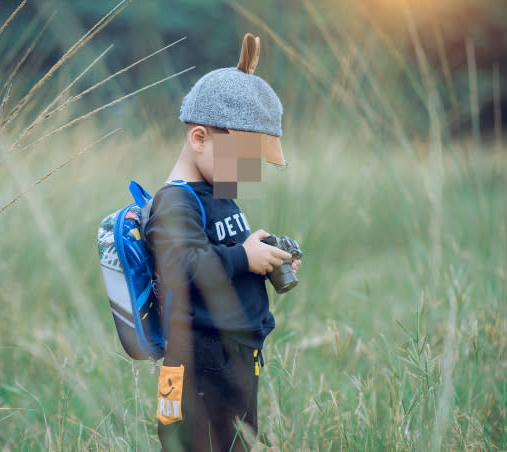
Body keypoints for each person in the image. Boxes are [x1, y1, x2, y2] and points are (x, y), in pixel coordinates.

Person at [143, 33, 301, 452]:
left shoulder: (219, 192)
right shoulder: (175, 200)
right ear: (199, 138)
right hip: (197, 361)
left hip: (233, 356)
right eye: (241, 158)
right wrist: (242, 256)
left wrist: (259, 254)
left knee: (236, 444)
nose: (248, 171)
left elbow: (222, 253)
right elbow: (186, 264)